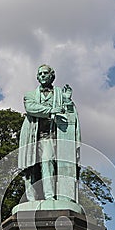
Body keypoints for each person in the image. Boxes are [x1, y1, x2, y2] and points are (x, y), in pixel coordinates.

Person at [18, 64, 81, 202]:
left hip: (51, 137)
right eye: (40, 74)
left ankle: (49, 196)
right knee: (31, 170)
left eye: (45, 73)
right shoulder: (29, 96)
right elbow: (31, 108)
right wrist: (51, 110)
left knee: (47, 161)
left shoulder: (59, 94)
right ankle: (32, 199)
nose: (42, 76)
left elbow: (70, 115)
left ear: (52, 76)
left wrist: (67, 100)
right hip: (32, 137)